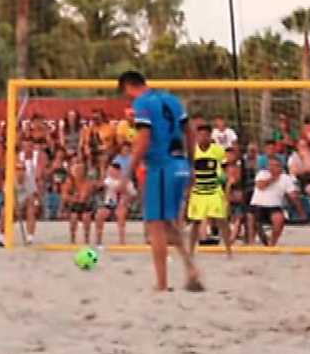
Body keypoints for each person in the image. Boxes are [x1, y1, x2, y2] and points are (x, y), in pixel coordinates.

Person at [118, 71, 202, 292]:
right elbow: (190, 132)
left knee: (154, 226)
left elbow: (144, 140)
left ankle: (162, 283)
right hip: (179, 165)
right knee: (167, 223)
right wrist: (191, 164)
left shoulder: (142, 103)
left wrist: (128, 172)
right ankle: (190, 267)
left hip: (161, 166)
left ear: (128, 86)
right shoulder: (171, 99)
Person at [187, 124, 232, 257]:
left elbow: (225, 167)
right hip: (198, 192)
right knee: (195, 222)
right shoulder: (192, 151)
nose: (203, 138)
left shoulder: (217, 150)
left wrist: (225, 182)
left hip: (214, 190)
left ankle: (229, 250)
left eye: (206, 135)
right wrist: (188, 189)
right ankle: (190, 251)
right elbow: (189, 171)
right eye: (200, 135)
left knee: (222, 220)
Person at [250, 156, 306, 246]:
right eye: (270, 165)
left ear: (280, 167)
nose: (272, 167)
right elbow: (260, 186)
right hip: (257, 205)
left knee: (279, 219)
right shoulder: (262, 174)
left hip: (274, 206)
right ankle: (251, 242)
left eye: (275, 165)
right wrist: (272, 178)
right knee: (251, 217)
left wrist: (301, 212)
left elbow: (293, 196)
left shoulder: (286, 178)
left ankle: (272, 243)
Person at [95, 162, 135, 247]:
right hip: (109, 204)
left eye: (112, 170)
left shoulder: (126, 181)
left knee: (120, 213)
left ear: (118, 171)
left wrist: (124, 192)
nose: (110, 172)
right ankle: (98, 240)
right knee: (99, 215)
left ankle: (122, 241)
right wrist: (102, 173)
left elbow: (133, 194)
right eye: (109, 171)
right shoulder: (108, 180)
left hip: (122, 204)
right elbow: (100, 186)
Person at [62, 159, 95, 246]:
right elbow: (64, 195)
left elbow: (85, 196)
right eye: (77, 170)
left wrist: (81, 197)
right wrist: (73, 198)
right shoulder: (69, 181)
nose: (79, 172)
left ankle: (87, 238)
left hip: (85, 204)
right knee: (73, 217)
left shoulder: (87, 182)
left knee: (86, 217)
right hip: (74, 204)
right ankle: (72, 238)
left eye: (81, 170)